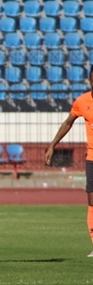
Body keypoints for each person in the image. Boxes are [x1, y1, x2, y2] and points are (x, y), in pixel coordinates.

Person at [45, 67, 93, 257]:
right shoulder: (82, 102)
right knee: (91, 201)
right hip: (92, 158)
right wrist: (52, 145)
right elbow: (68, 123)